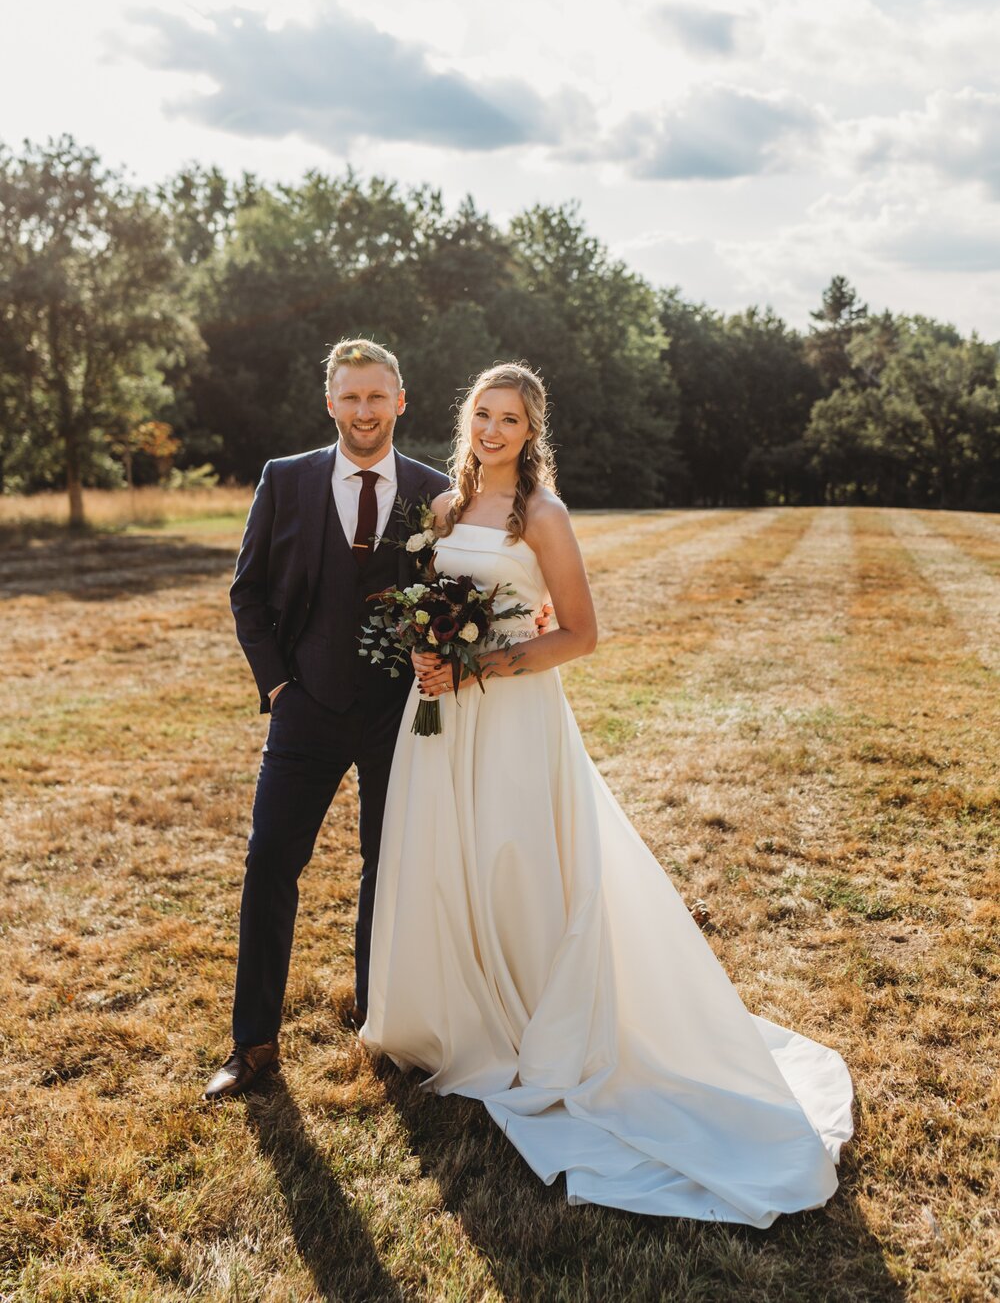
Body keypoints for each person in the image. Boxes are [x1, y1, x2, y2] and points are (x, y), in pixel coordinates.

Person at [361, 363, 854, 1225]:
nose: (491, 430)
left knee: (514, 856)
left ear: (531, 430)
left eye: (508, 419)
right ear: (465, 419)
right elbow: (423, 603)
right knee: (443, 853)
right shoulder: (441, 511)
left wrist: (482, 662)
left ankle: (529, 1021)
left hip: (514, 716)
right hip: (439, 714)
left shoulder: (542, 516)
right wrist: (427, 656)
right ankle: (451, 1014)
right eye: (482, 414)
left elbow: (582, 635)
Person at [203, 338, 449, 1100]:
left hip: (399, 714)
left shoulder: (436, 491)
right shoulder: (287, 480)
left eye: (378, 397)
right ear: (330, 403)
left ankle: (383, 1029)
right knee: (270, 862)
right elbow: (248, 592)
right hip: (304, 709)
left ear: (400, 401)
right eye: (351, 398)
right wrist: (278, 686)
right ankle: (253, 1047)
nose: (365, 411)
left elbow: (452, 596)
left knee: (390, 870)